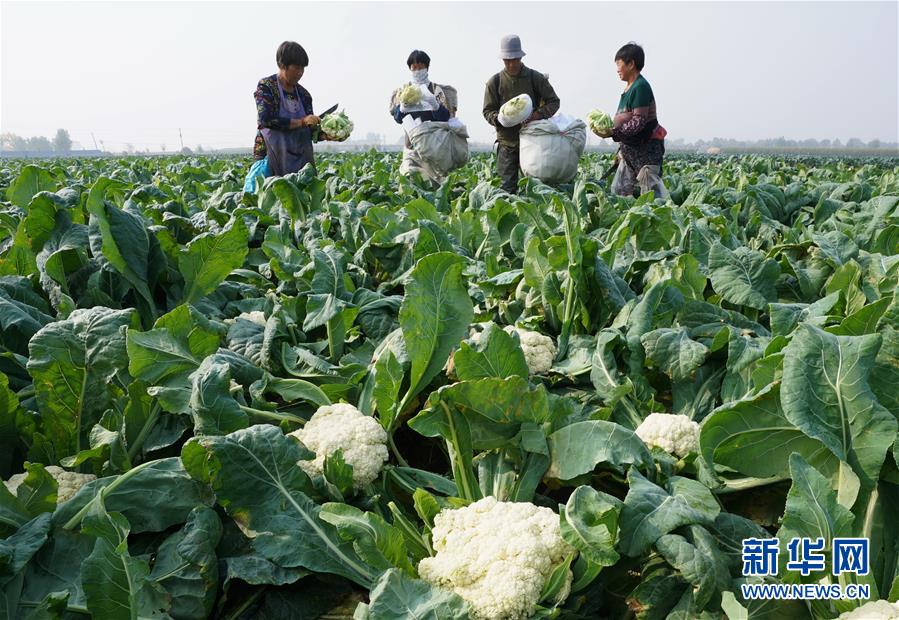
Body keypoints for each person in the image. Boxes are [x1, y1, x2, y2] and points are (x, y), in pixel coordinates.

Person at [482, 35, 560, 194]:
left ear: (521, 57)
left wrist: (536, 115)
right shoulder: (494, 82)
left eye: (515, 59)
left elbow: (554, 102)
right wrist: (500, 119)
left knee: (537, 189)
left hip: (534, 142)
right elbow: (487, 111)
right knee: (507, 189)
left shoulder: (535, 78)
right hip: (507, 144)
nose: (511, 64)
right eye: (507, 60)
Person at [594, 42, 668, 198]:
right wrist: (620, 147)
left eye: (618, 64)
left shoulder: (640, 87)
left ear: (631, 64)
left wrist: (612, 132)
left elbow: (638, 121)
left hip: (646, 150)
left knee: (651, 195)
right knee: (620, 193)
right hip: (630, 151)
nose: (617, 69)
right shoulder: (630, 88)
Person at [253, 41, 334, 178]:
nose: (300, 73)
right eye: (296, 68)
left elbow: (310, 130)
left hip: (301, 159)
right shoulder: (267, 86)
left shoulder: (304, 95)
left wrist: (325, 135)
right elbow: (265, 120)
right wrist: (302, 122)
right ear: (282, 65)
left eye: (303, 68)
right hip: (272, 157)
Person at [388, 50, 457, 179]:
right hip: (411, 146)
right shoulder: (403, 91)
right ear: (410, 69)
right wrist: (401, 109)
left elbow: (445, 118)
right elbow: (398, 118)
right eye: (414, 68)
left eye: (421, 67)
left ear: (427, 68)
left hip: (434, 146)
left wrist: (435, 105)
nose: (417, 71)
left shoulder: (436, 90)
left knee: (435, 182)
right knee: (410, 179)